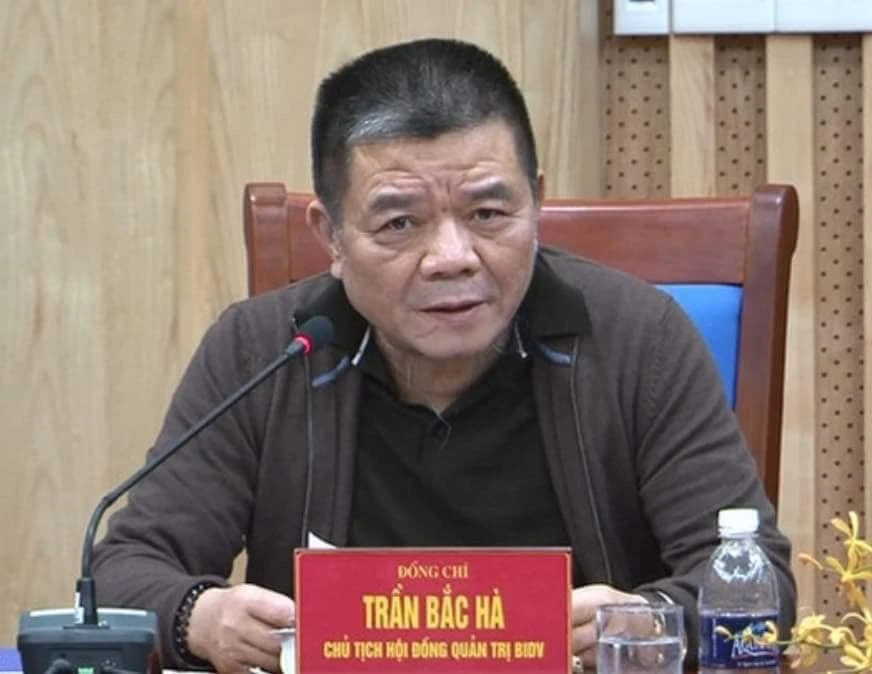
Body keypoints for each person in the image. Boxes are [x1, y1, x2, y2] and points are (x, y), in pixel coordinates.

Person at [92, 37, 797, 673]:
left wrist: (648, 624)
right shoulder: (265, 349)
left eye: (488, 214)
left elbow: (754, 578)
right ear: (331, 235)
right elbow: (124, 570)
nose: (452, 257)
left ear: (536, 203)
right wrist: (198, 618)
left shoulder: (639, 338)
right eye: (400, 223)